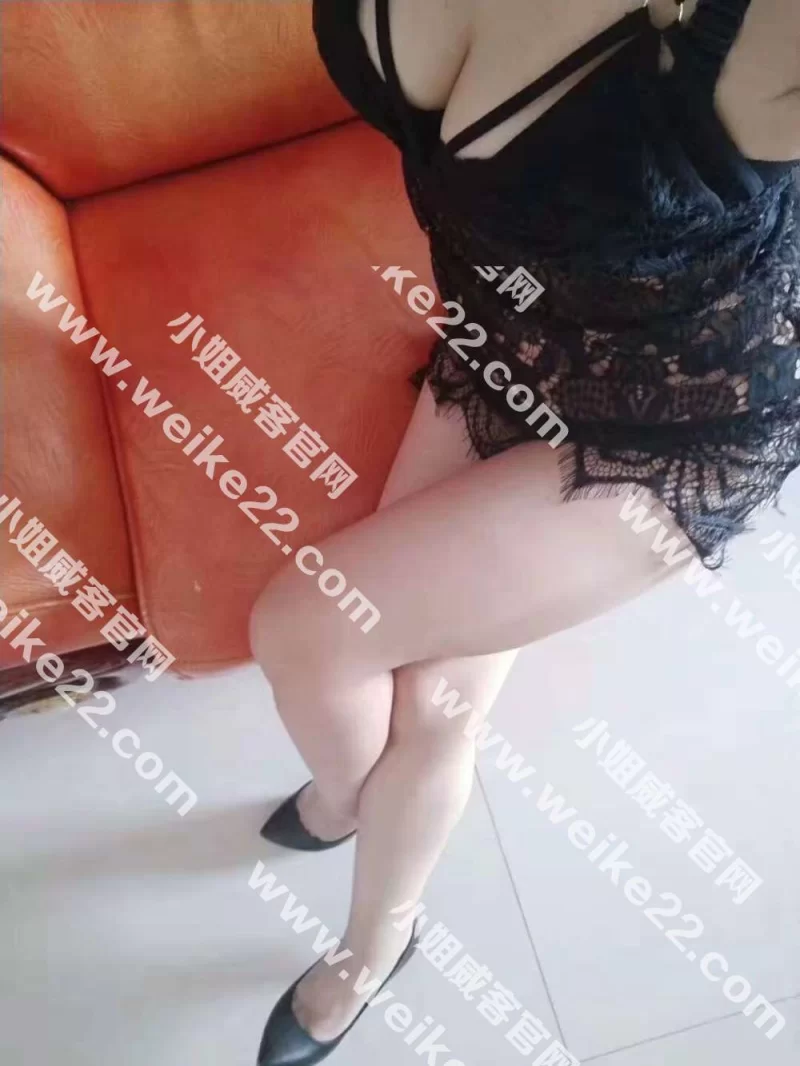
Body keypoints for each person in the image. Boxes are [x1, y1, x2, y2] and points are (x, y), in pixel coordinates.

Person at [251, 1, 800, 1061]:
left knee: (316, 635)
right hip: (508, 337)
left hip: (683, 414)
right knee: (398, 689)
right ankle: (356, 834)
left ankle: (365, 921)